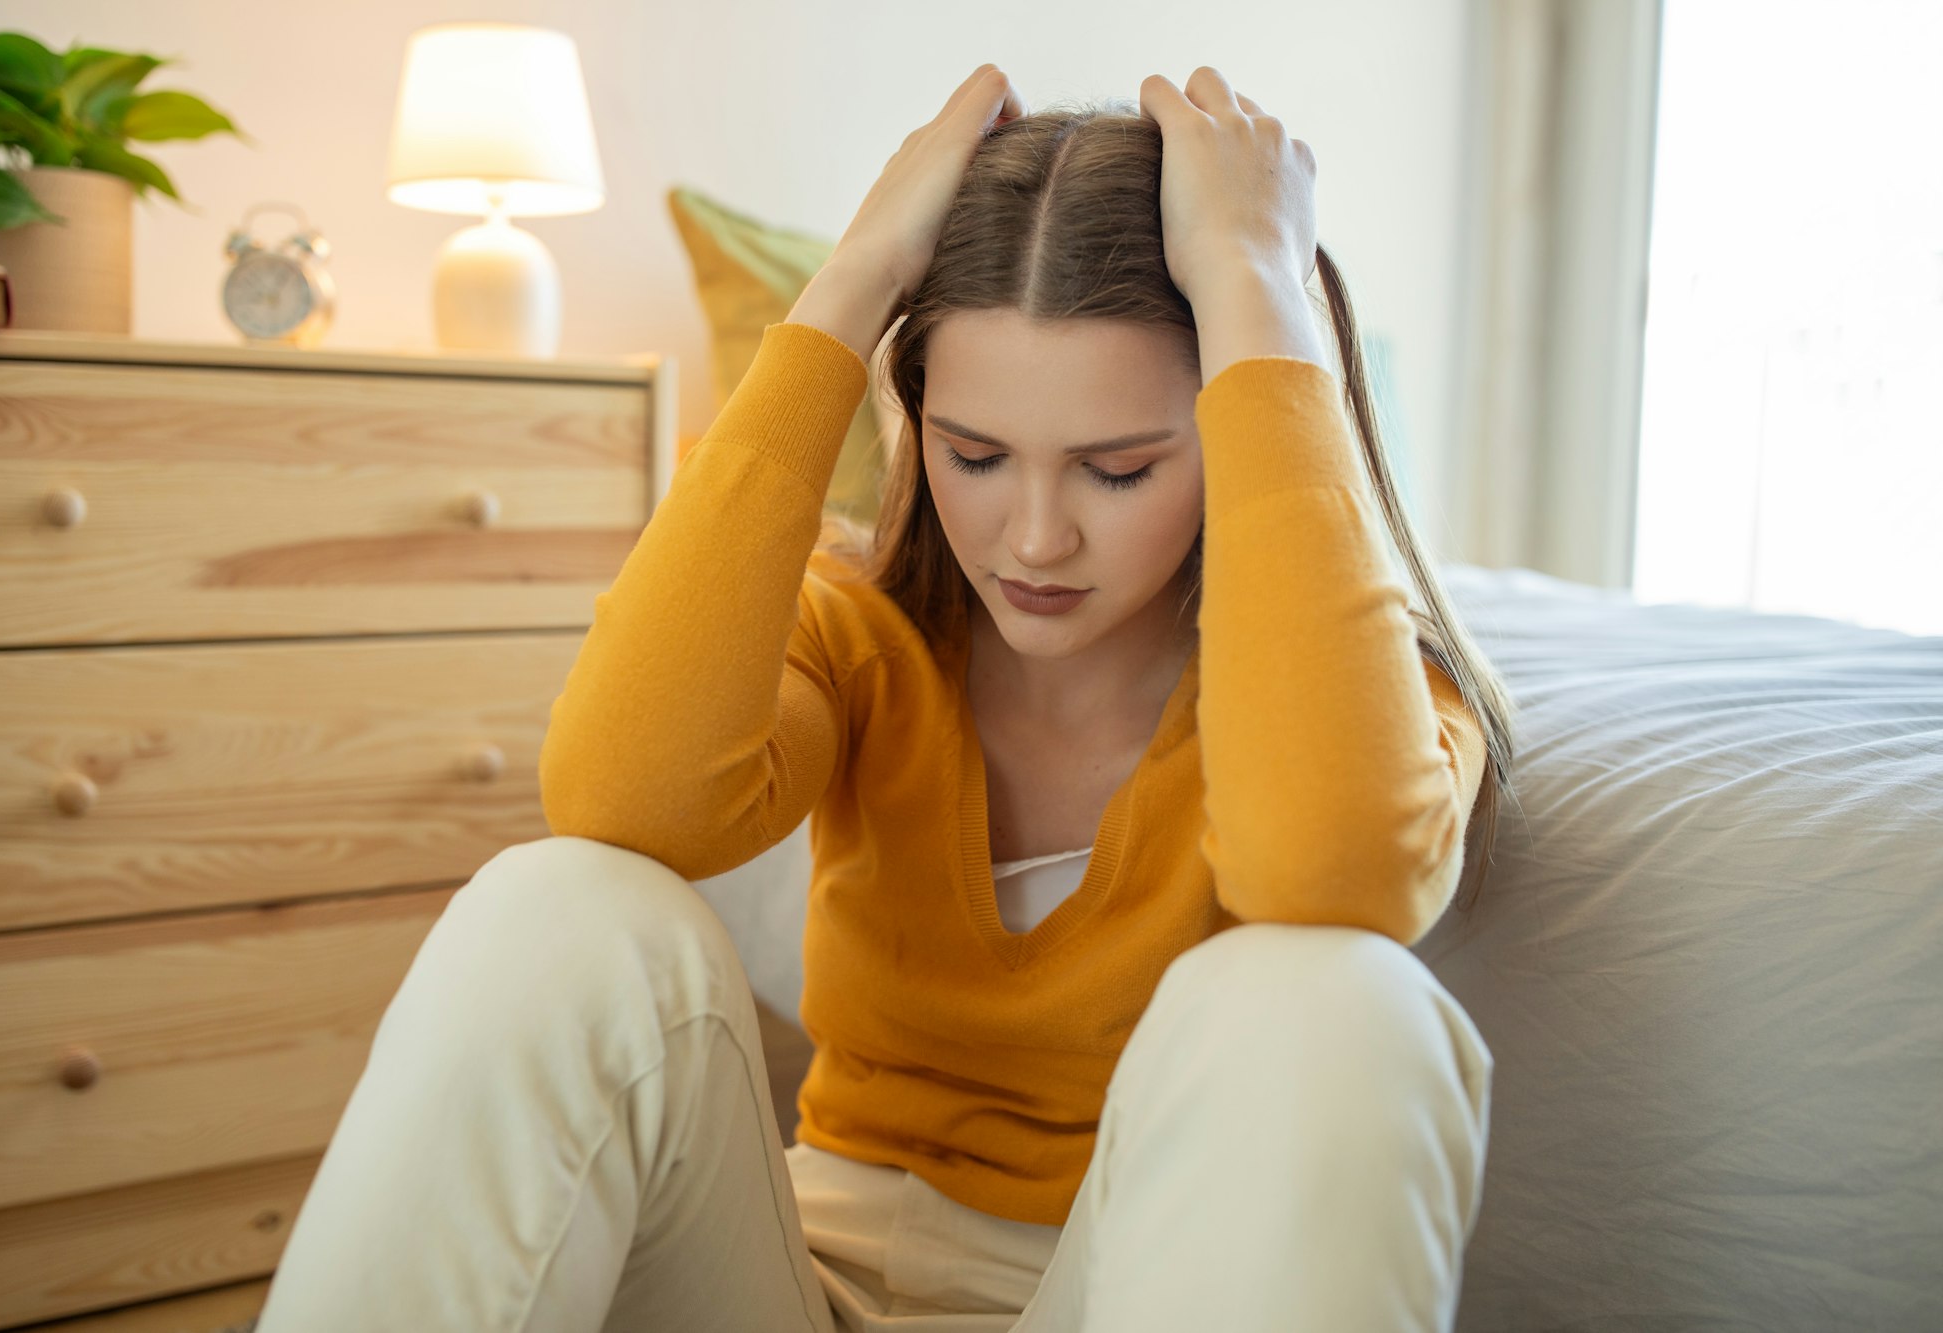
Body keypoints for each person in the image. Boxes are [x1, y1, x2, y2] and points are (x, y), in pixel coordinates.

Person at [255, 62, 1519, 1333]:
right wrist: (852, 283)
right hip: (800, 1281)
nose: (1031, 540)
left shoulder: (1375, 695)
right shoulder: (862, 639)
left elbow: (1331, 867)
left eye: (1117, 472)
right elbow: (621, 795)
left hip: (1123, 1285)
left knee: (1332, 997)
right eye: (974, 456)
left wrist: (1255, 288)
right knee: (557, 899)